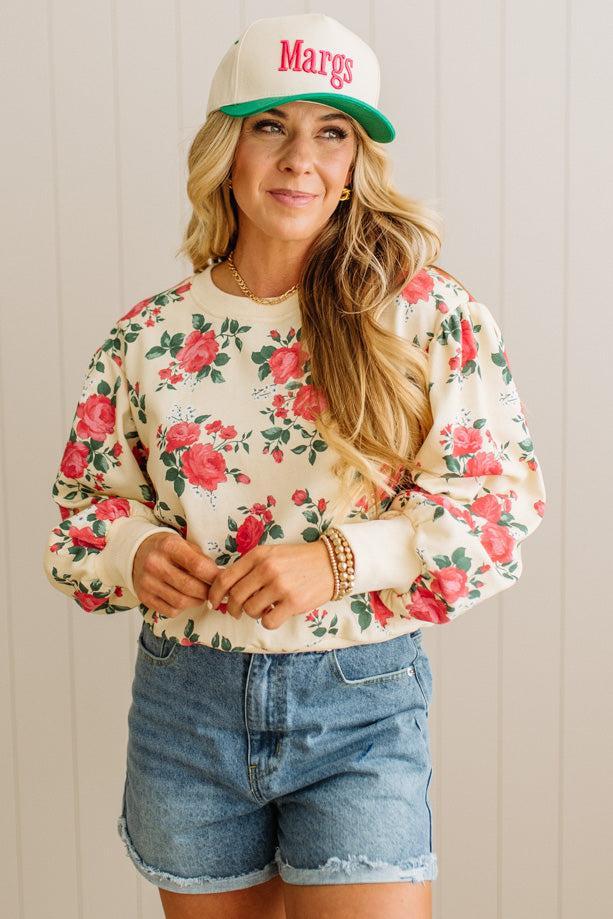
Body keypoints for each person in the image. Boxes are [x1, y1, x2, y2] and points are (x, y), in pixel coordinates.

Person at [42, 12, 547, 919]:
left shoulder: (425, 317)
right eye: (270, 125)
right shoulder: (150, 336)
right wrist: (135, 551)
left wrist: (341, 560)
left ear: (356, 161)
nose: (298, 159)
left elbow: (499, 512)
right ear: (226, 150)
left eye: (332, 131)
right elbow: (83, 509)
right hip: (185, 704)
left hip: (359, 701)